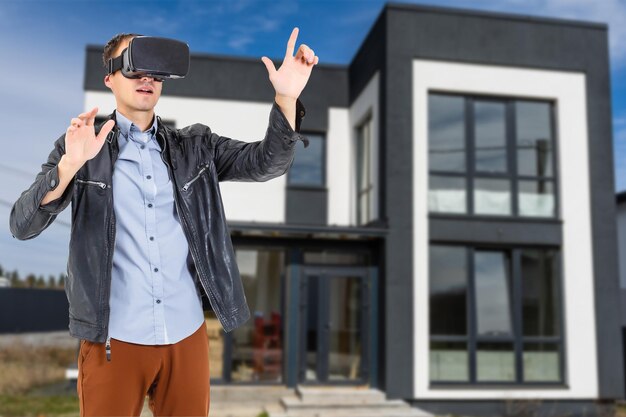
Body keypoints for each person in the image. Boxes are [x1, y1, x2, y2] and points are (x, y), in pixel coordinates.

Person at [9, 28, 318, 416]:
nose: (147, 79)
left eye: (156, 72)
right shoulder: (80, 149)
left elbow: (266, 162)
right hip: (113, 340)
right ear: (109, 78)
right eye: (136, 66)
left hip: (185, 337)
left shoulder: (196, 147)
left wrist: (286, 98)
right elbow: (21, 225)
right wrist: (70, 165)